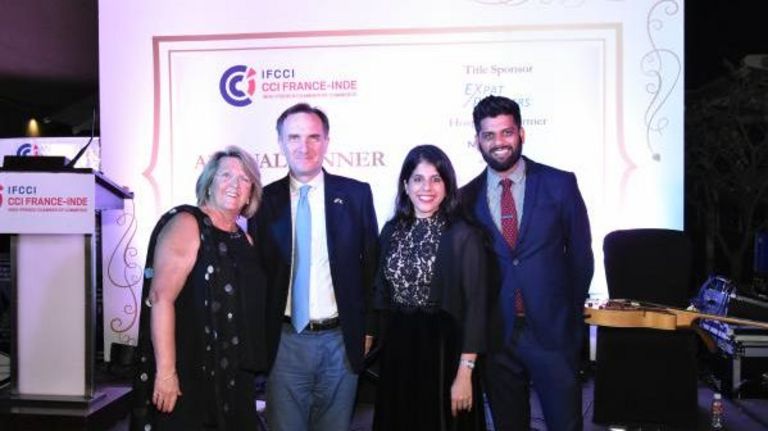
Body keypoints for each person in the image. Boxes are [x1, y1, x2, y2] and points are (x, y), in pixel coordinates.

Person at [460, 95, 594, 431]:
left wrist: (569, 319)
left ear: (521, 133)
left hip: (553, 335)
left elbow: (581, 257)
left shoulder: (560, 184)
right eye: (489, 135)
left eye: (506, 132)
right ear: (478, 140)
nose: (499, 142)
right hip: (497, 339)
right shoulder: (465, 198)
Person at [248, 103, 379, 431]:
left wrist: (368, 330)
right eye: (294, 137)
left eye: (313, 137)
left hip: (340, 343)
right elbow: (256, 277)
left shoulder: (356, 195)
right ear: (280, 143)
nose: (303, 146)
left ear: (326, 142)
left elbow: (372, 271)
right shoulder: (262, 201)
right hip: (284, 343)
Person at [130, 145, 266, 430]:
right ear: (209, 182)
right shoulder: (187, 223)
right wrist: (166, 373)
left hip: (234, 375)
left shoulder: (245, 239)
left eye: (244, 179)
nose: (235, 184)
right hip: (189, 371)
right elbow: (161, 298)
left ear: (250, 192)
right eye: (226, 175)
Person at [372, 144, 487, 430]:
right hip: (398, 351)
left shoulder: (463, 235)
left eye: (436, 179)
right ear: (405, 185)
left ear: (447, 186)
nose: (427, 187)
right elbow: (379, 294)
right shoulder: (391, 230)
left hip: (444, 355)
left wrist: (465, 373)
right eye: (418, 179)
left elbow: (476, 308)